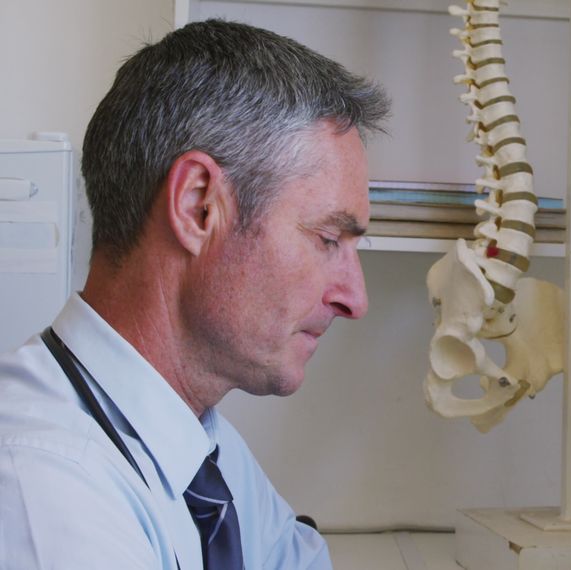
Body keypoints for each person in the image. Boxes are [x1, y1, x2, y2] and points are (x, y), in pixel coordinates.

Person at [0, 19, 389, 569]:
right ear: (197, 207)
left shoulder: (202, 450)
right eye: (328, 239)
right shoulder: (44, 493)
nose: (355, 299)